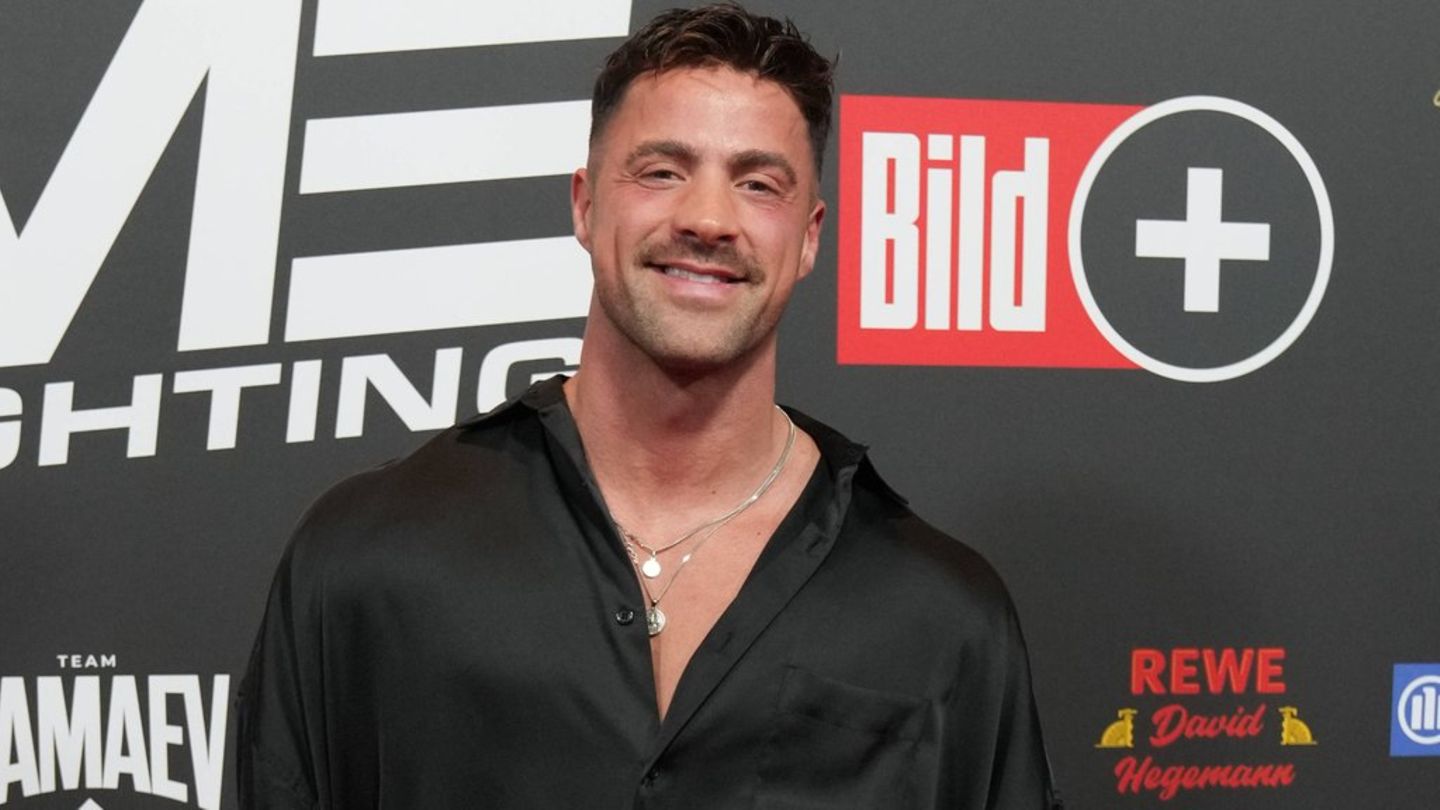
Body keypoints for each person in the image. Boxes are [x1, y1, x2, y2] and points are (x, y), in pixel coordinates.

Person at [237, 5, 1060, 808]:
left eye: (758, 184)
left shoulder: (940, 616)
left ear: (809, 236)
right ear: (585, 204)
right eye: (662, 171)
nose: (707, 219)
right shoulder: (371, 557)